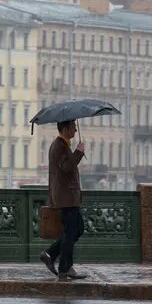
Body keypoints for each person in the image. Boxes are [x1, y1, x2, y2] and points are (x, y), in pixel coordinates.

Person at [40, 120, 87, 280]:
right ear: (65, 128)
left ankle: (53, 256)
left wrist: (76, 152)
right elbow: (66, 167)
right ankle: (64, 267)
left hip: (69, 197)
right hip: (66, 198)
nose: (75, 130)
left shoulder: (63, 145)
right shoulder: (59, 146)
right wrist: (78, 152)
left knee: (77, 229)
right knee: (71, 232)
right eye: (73, 127)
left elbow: (68, 166)